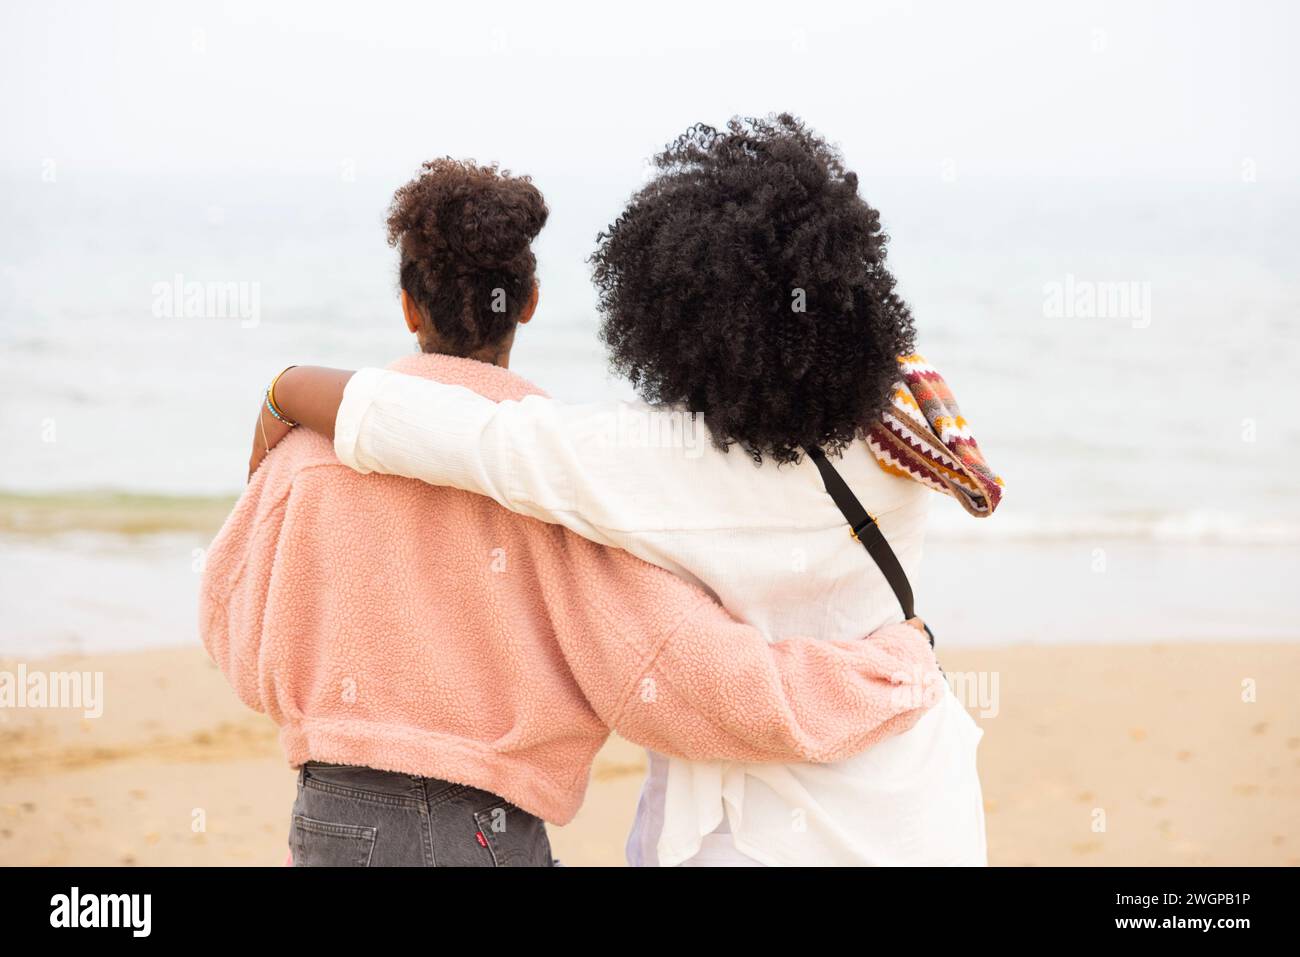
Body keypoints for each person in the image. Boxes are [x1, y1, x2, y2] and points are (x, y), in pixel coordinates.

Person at [252, 117, 999, 867]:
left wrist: (285, 392)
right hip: (922, 811)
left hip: (751, 837)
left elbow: (474, 439)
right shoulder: (899, 439)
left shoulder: (652, 460)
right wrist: (894, 673)